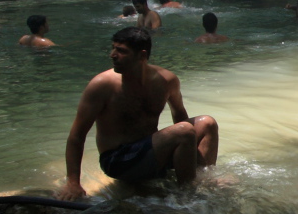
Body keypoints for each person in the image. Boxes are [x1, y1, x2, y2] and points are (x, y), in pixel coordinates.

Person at [56, 26, 218, 199]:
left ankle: (202, 179)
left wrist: (183, 150)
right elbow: (77, 136)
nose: (112, 55)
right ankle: (188, 198)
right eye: (113, 48)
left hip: (150, 152)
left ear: (141, 55)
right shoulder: (102, 85)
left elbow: (180, 116)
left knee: (207, 123)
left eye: (121, 51)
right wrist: (73, 182)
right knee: (184, 131)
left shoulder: (166, 80)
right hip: (118, 161)